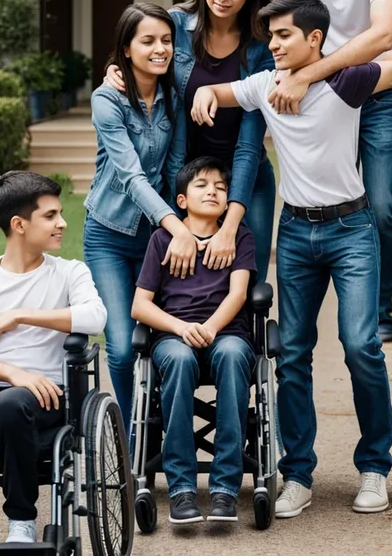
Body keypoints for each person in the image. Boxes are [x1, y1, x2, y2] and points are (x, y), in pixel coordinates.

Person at [191, 0, 392, 519]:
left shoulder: (345, 82)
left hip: (352, 229)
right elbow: (215, 90)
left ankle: (375, 466)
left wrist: (319, 71)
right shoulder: (266, 85)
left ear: (314, 39)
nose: (274, 44)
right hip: (295, 235)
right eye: (271, 35)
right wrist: (202, 96)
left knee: (360, 346)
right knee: (293, 354)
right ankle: (298, 474)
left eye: (284, 35)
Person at [0, 171, 106, 546]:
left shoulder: (69, 272)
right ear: (18, 224)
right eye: (50, 215)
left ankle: (21, 521)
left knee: (11, 404)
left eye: (60, 213)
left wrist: (20, 314)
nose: (62, 223)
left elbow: (95, 317)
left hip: (44, 396)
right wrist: (13, 373)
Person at [273, 0, 392, 342]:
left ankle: (380, 302)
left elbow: (380, 37)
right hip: (318, 101)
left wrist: (314, 74)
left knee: (382, 205)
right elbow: (284, 28)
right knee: (319, 198)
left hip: (373, 93)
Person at [106, 0, 276, 282]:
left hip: (246, 180)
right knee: (182, 278)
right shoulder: (177, 27)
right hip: (185, 178)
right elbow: (142, 56)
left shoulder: (263, 45)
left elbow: (248, 144)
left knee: (249, 285)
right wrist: (114, 71)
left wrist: (229, 226)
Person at [83, 3, 199, 431]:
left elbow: (173, 167)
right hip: (109, 235)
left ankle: (168, 429)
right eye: (147, 41)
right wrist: (176, 225)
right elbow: (131, 176)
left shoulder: (174, 96)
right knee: (120, 347)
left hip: (156, 237)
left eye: (166, 40)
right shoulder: (106, 98)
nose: (160, 49)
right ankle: (138, 439)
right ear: (126, 50)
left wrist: (179, 228)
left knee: (163, 340)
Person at [132, 156, 256, 524]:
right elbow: (141, 305)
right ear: (182, 200)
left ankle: (224, 489)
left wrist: (212, 328)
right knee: (181, 360)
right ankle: (182, 488)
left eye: (220, 187)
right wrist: (181, 328)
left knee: (234, 356)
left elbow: (238, 294)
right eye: (202, 185)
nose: (213, 191)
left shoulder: (240, 236)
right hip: (174, 336)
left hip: (226, 333)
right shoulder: (162, 239)